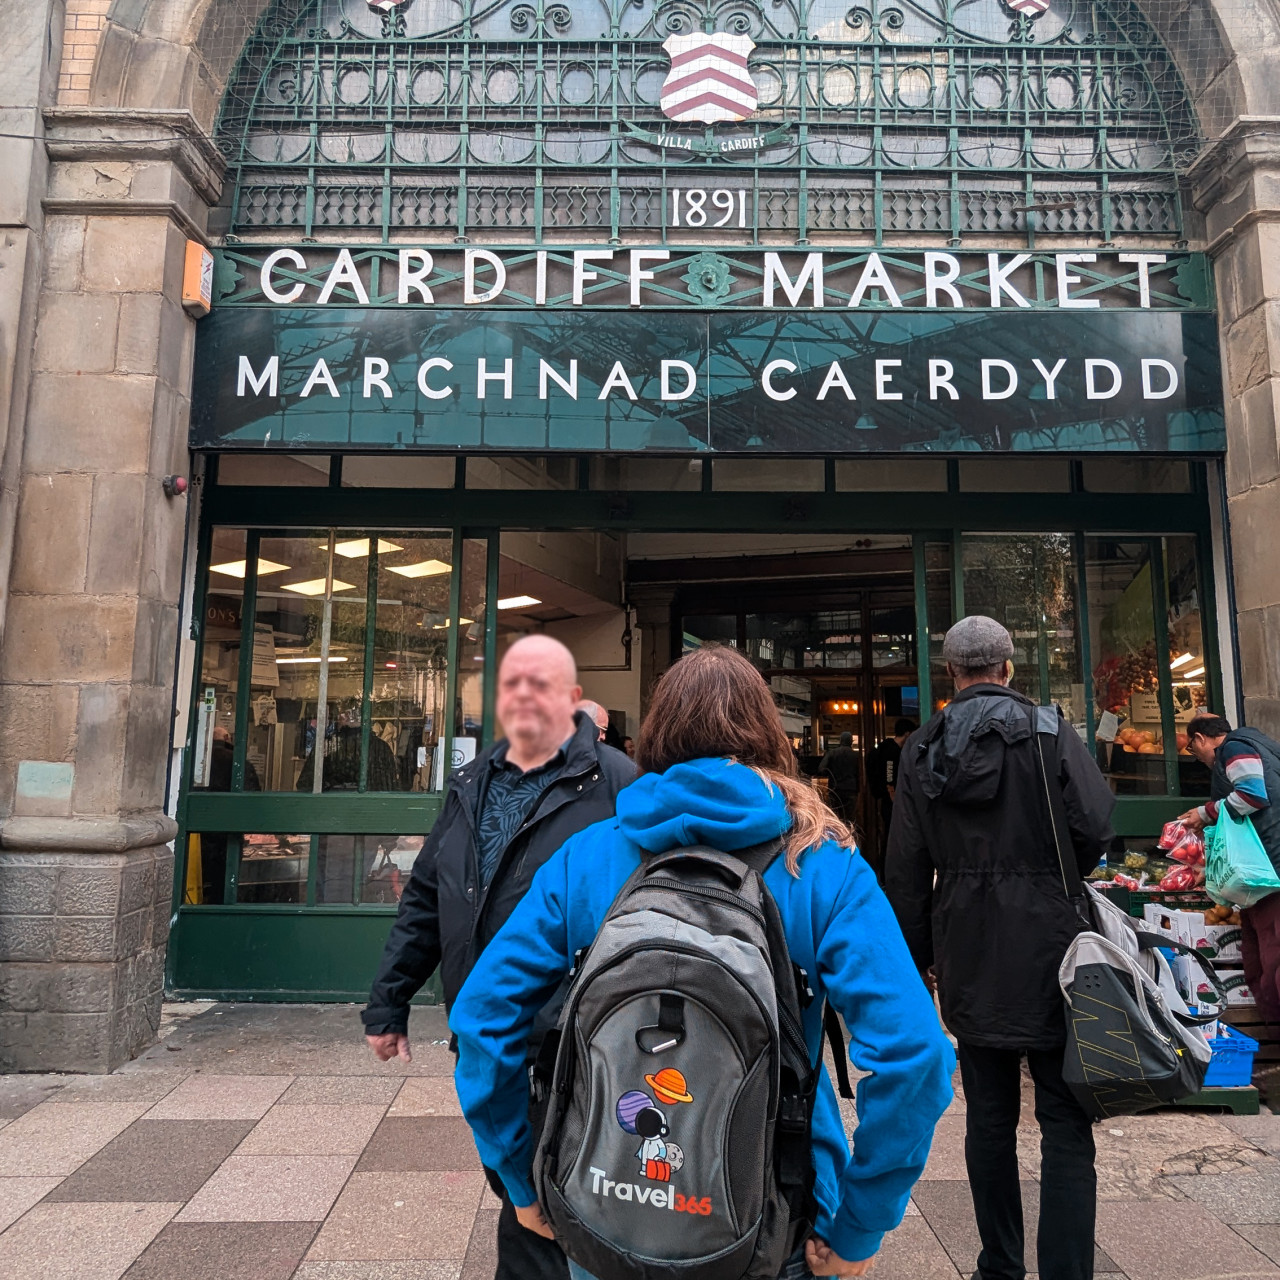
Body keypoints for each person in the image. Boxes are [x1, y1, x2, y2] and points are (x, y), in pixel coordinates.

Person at [451, 644, 955, 1280]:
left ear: (658, 737)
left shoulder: (589, 857)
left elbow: (481, 1019)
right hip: (778, 1219)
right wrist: (859, 1224)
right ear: (769, 737)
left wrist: (519, 1176)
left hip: (608, 1210)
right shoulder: (821, 863)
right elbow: (916, 1058)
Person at [362, 634, 638, 1280]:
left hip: (575, 1044)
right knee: (518, 1190)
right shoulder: (472, 782)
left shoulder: (619, 783)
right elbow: (428, 893)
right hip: (490, 1037)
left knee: (558, 1211)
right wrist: (389, 1001)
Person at [885, 616, 1115, 1280]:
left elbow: (905, 870)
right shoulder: (1050, 734)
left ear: (950, 673)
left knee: (988, 1120)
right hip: (1053, 946)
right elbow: (1097, 826)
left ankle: (999, 1268)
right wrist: (1058, 872)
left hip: (969, 944)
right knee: (1066, 1124)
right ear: (1009, 667)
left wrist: (919, 960)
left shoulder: (923, 746)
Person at [1178, 713, 1280, 1020]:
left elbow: (1252, 795)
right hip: (1261, 870)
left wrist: (1204, 812)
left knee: (1271, 957)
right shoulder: (1263, 746)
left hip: (1270, 870)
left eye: (1193, 752)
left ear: (1199, 739)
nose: (1198, 759)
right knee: (1258, 957)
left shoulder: (1235, 749)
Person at [867, 718, 914, 842]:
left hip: (889, 799)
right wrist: (892, 794)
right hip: (891, 800)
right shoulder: (892, 751)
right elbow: (889, 775)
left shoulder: (887, 748)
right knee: (892, 835)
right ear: (907, 734)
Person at [818, 730, 860, 826]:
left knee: (836, 817)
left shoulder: (832, 753)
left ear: (840, 740)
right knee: (850, 818)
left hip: (835, 789)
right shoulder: (856, 756)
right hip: (851, 789)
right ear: (851, 742)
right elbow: (860, 773)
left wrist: (832, 774)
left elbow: (821, 769)